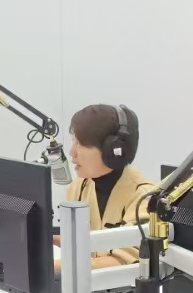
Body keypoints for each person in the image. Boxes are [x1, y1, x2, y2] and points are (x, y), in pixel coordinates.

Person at [64, 104, 158, 267]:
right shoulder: (78, 188)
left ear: (113, 150)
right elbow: (75, 243)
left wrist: (48, 266)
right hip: (85, 281)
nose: (72, 152)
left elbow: (121, 262)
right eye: (73, 142)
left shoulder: (145, 198)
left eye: (79, 143)